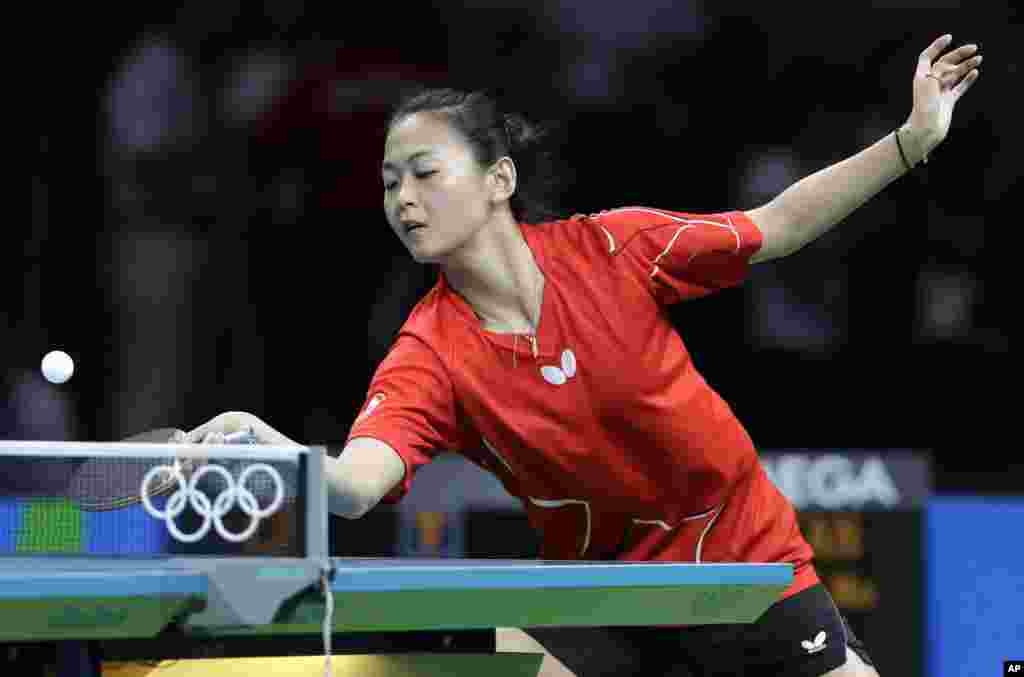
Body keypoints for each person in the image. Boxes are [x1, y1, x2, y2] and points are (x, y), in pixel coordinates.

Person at [185, 35, 981, 677]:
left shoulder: (613, 247)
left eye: (425, 174)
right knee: (485, 648)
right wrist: (281, 456)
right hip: (608, 600)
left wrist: (911, 141)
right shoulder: (430, 350)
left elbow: (774, 226)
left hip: (742, 566)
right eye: (390, 183)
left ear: (499, 179)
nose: (403, 199)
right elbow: (359, 483)